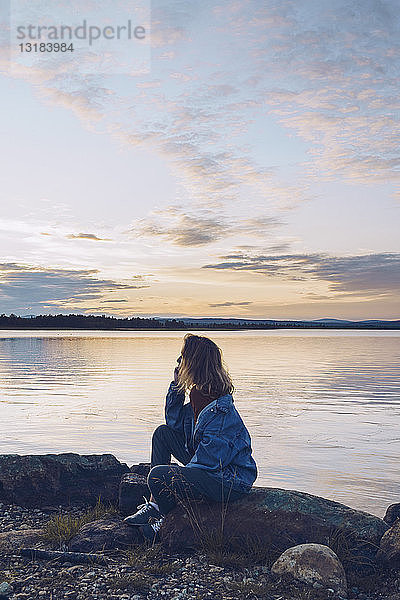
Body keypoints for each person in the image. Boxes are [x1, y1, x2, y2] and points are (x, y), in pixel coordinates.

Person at [124, 333, 257, 540]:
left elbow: (211, 462)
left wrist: (175, 480)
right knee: (162, 434)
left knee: (159, 476)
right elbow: (174, 424)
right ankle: (155, 505)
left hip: (229, 480)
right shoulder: (198, 395)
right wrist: (177, 388)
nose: (178, 362)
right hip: (209, 467)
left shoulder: (220, 412)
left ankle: (167, 520)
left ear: (195, 363)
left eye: (182, 358)